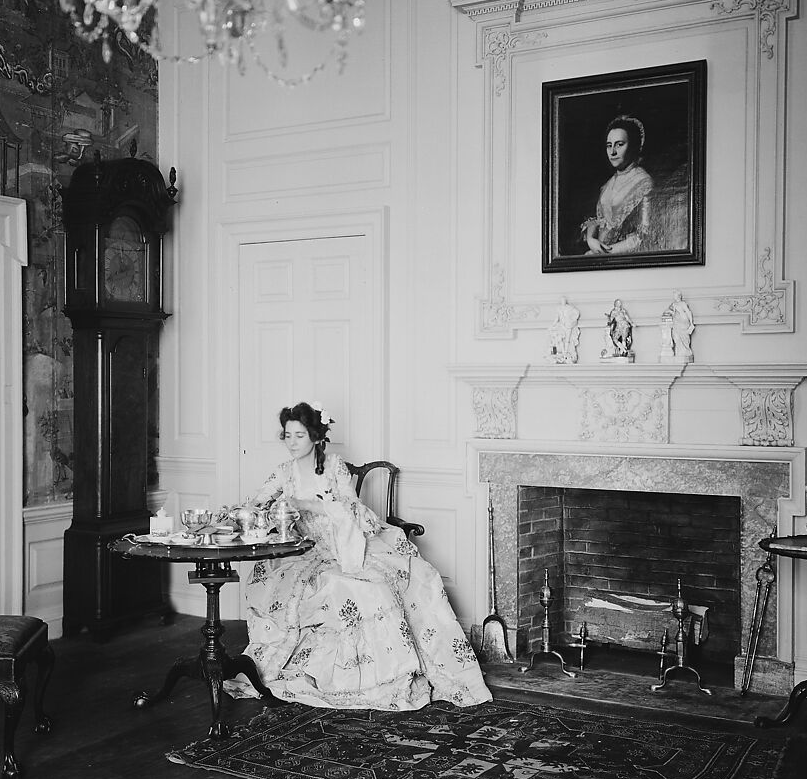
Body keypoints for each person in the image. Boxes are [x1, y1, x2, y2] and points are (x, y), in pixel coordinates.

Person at [237, 401, 493, 711]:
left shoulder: (333, 467)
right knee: (326, 586)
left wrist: (312, 505)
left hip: (347, 545)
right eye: (287, 436)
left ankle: (391, 676)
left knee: (410, 579)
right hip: (306, 552)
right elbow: (256, 503)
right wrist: (245, 513)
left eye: (299, 436)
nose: (291, 443)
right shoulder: (283, 473)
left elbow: (352, 509)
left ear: (316, 437)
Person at [581, 116, 653, 255]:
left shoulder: (644, 182)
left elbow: (644, 236)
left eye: (619, 144)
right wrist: (590, 239)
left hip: (623, 258)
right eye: (609, 145)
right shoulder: (607, 185)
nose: (613, 152)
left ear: (633, 145)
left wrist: (603, 253)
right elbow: (596, 220)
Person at [545, 295, 581, 363]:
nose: (563, 302)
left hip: (568, 325)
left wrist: (572, 319)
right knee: (560, 339)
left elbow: (577, 313)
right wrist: (552, 325)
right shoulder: (558, 308)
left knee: (568, 339)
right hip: (562, 325)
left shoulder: (569, 307)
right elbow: (557, 318)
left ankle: (566, 351)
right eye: (562, 300)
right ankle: (563, 351)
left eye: (564, 300)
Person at [664, 289, 695, 358]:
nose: (674, 297)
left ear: (679, 296)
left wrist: (691, 322)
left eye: (675, 295)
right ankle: (679, 351)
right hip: (676, 322)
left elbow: (688, 312)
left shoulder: (683, 303)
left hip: (683, 322)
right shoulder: (674, 304)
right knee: (676, 337)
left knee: (684, 337)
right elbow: (671, 312)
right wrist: (669, 312)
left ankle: (685, 351)